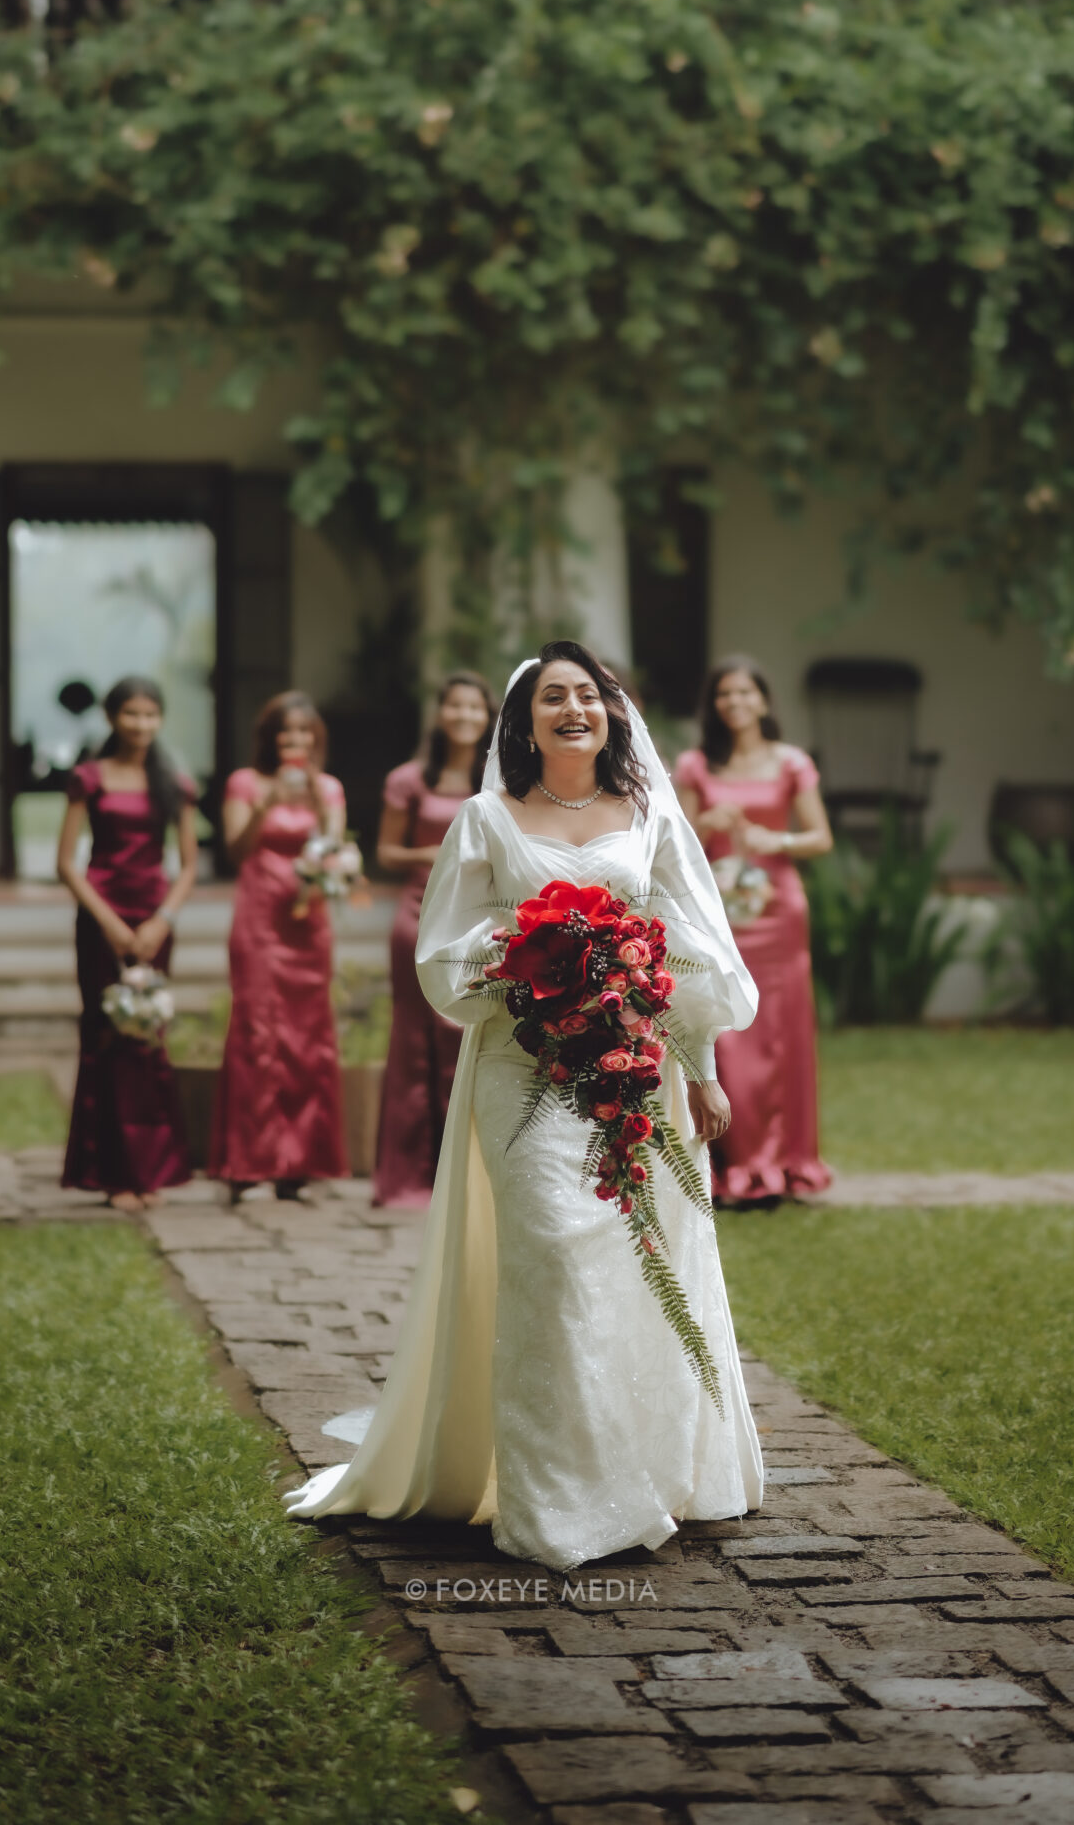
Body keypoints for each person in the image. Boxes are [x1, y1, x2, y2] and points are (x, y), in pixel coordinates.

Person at [288, 641, 764, 1572]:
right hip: (521, 1069)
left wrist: (701, 1068)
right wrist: (525, 963)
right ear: (525, 719)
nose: (573, 708)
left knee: (631, 1264)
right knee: (550, 1248)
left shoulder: (650, 815)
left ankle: (638, 1467)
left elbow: (691, 947)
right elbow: (443, 947)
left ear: (613, 713)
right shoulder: (484, 818)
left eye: (588, 694)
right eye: (553, 697)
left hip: (635, 1070)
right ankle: (557, 1503)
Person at [674, 657, 835, 1206]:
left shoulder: (792, 762)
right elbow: (674, 842)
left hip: (779, 908)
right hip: (718, 909)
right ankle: (736, 1161)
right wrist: (705, 825)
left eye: (745, 692)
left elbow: (819, 837)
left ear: (763, 701)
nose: (735, 702)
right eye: (724, 694)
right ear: (714, 705)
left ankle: (788, 1161)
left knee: (783, 1031)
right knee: (727, 1029)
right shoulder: (696, 765)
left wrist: (777, 842)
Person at [57, 674, 198, 1211]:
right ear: (113, 718)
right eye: (131, 714)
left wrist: (161, 919)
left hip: (155, 919)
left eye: (150, 715)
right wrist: (110, 923)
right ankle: (113, 1173)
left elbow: (187, 866)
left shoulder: (174, 783)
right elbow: (66, 864)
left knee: (148, 1033)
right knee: (107, 1034)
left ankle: (151, 1171)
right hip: (101, 920)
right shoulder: (89, 778)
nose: (141, 724)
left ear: (159, 719)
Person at [209, 691, 350, 1200]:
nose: (295, 742)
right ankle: (247, 1163)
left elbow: (332, 850)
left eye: (304, 733)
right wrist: (265, 805)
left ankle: (298, 1162)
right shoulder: (245, 783)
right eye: (285, 733)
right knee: (255, 1032)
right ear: (270, 739)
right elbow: (234, 849)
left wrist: (315, 801)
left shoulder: (328, 788)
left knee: (306, 1037)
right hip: (259, 917)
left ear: (316, 739)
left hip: (306, 920)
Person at [371, 670, 498, 1209]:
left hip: (476, 921)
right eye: (455, 706)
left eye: (475, 708)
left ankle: (466, 1176)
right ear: (440, 714)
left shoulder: (502, 780)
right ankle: (405, 1176)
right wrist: (434, 855)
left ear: (488, 717)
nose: (464, 716)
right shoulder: (408, 779)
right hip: (417, 912)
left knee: (465, 1037)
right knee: (412, 1036)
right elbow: (385, 853)